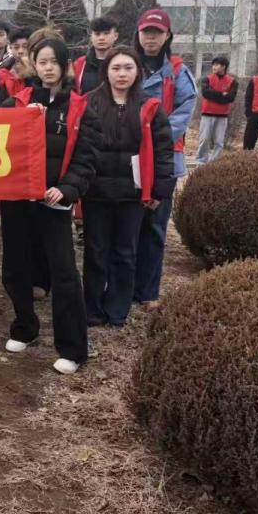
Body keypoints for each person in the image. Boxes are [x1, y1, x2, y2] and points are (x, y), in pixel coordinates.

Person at [0, 37, 101, 375]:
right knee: (15, 267)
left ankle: (72, 348)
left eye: (54, 62)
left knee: (64, 273)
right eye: (42, 61)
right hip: (18, 201)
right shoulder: (16, 103)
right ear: (33, 64)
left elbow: (86, 158)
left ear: (65, 66)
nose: (48, 68)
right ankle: (24, 327)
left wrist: (67, 188)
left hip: (54, 202)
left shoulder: (80, 108)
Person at [83, 46, 174, 328]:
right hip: (96, 192)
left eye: (128, 68)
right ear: (106, 71)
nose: (121, 74)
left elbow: (163, 152)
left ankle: (117, 309)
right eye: (116, 68)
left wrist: (159, 190)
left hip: (132, 195)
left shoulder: (150, 106)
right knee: (95, 251)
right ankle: (92, 308)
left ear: (138, 72)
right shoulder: (89, 103)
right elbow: (81, 147)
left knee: (125, 252)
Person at [132, 9, 196, 311]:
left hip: (163, 160)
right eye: (146, 32)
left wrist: (153, 137)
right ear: (138, 34)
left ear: (167, 36)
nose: (151, 38)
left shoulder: (178, 72)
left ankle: (147, 291)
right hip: (128, 159)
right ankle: (123, 286)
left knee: (155, 227)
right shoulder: (127, 65)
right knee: (126, 227)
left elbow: (184, 110)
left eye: (157, 32)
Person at [195, 56, 238, 164]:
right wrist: (222, 94)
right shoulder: (207, 79)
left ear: (224, 66)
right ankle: (201, 161)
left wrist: (215, 95)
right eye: (213, 64)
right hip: (207, 114)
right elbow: (206, 93)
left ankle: (213, 162)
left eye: (217, 65)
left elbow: (231, 98)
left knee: (219, 141)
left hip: (222, 115)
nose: (214, 67)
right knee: (204, 139)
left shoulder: (232, 82)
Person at [75, 16, 119, 95]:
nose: (101, 38)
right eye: (97, 34)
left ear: (116, 36)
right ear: (91, 37)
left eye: (106, 33)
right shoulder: (80, 64)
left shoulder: (122, 63)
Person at [0, 28, 34, 102]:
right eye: (16, 47)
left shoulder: (39, 70)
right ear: (10, 47)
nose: (20, 51)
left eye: (25, 47)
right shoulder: (2, 71)